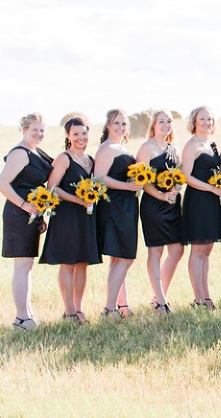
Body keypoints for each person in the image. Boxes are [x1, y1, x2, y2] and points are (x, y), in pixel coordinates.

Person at [39, 117, 101, 323]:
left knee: (82, 262)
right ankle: (69, 311)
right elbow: (52, 188)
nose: (80, 137)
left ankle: (78, 308)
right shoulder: (64, 158)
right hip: (66, 216)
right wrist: (77, 199)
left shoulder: (91, 160)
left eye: (83, 133)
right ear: (68, 136)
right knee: (67, 263)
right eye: (75, 134)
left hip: (86, 218)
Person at [0, 113, 53, 330]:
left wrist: (39, 213)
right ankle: (21, 318)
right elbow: (2, 184)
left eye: (42, 130)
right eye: (35, 130)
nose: (39, 134)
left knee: (27, 265)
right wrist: (24, 206)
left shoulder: (35, 151)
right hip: (18, 213)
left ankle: (27, 314)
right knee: (21, 266)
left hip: (31, 214)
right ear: (24, 130)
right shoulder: (20, 153)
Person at [135, 109, 183, 314]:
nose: (165, 125)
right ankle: (161, 301)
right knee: (156, 251)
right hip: (153, 205)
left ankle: (157, 296)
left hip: (172, 204)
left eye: (169, 121)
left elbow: (180, 177)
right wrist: (162, 195)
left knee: (177, 250)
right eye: (161, 121)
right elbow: (141, 181)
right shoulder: (146, 148)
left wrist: (175, 190)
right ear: (153, 125)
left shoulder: (174, 149)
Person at [95, 109, 141, 320]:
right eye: (117, 123)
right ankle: (109, 308)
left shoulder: (120, 147)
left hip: (126, 205)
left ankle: (119, 305)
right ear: (108, 126)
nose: (121, 127)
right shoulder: (106, 149)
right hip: (115, 206)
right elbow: (100, 179)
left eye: (124, 124)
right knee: (125, 257)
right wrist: (128, 186)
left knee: (119, 258)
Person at [180, 106, 221, 310]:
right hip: (198, 200)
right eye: (202, 119)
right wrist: (212, 189)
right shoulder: (191, 145)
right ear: (194, 122)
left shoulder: (212, 145)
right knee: (198, 249)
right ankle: (198, 299)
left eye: (210, 119)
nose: (207, 122)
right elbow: (186, 177)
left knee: (207, 250)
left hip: (213, 202)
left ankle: (206, 296)